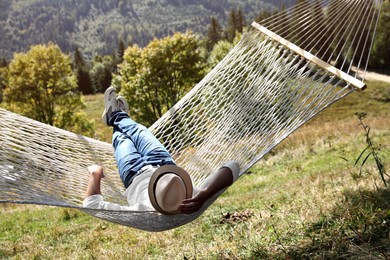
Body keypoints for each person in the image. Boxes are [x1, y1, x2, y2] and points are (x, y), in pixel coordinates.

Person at [83, 86, 240, 215]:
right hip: (164, 163)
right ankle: (117, 115)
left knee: (122, 140)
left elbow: (92, 205)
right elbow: (233, 166)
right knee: (140, 131)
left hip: (133, 173)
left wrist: (95, 174)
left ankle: (117, 116)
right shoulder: (189, 196)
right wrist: (204, 195)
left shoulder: (144, 214)